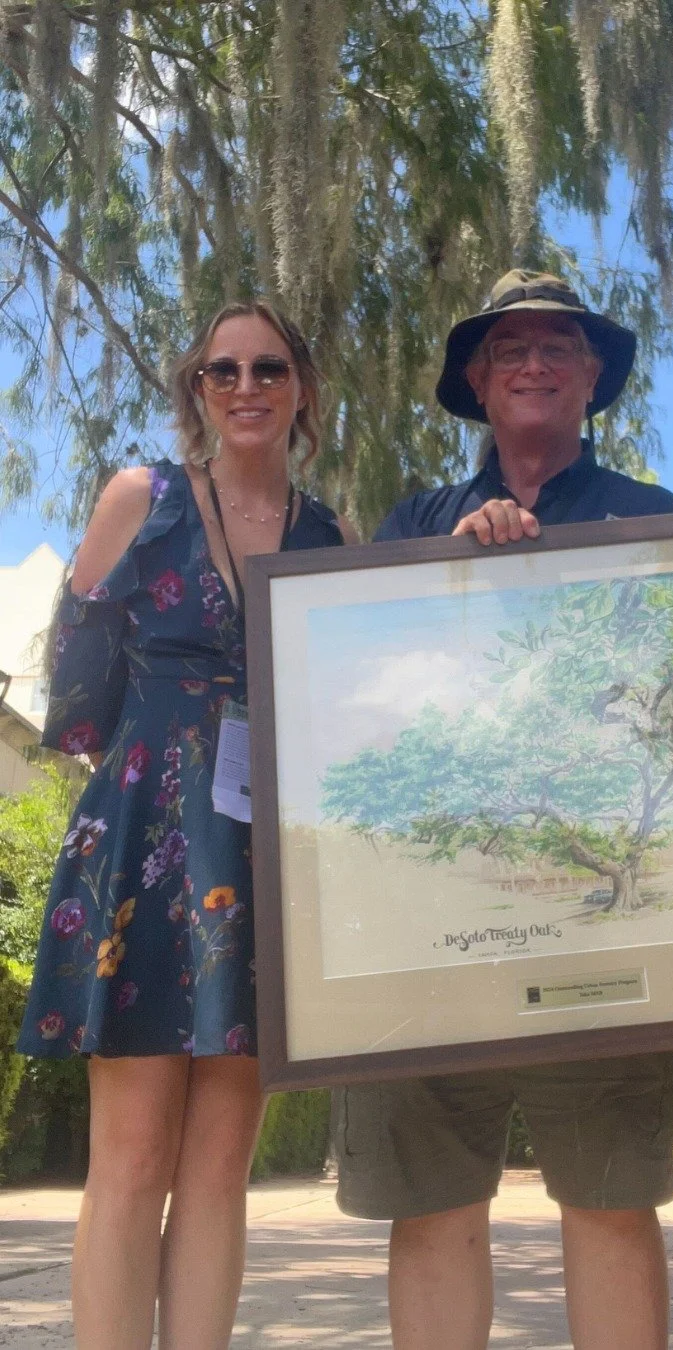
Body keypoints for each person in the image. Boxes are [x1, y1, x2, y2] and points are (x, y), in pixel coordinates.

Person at [334, 269, 673, 1350]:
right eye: (511, 350)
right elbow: (371, 698)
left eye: (558, 348)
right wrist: (452, 572)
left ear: (591, 378)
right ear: (479, 383)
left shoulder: (652, 521)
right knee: (432, 1209)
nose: (534, 364)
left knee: (612, 1200)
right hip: (439, 933)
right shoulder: (415, 524)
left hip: (604, 935)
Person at [17, 300, 359, 1350]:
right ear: (196, 391)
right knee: (130, 1158)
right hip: (141, 842)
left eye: (268, 368)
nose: (246, 387)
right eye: (223, 371)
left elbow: (339, 714)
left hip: (265, 864)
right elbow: (73, 702)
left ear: (301, 389)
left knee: (220, 1167)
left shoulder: (328, 534)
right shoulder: (143, 497)